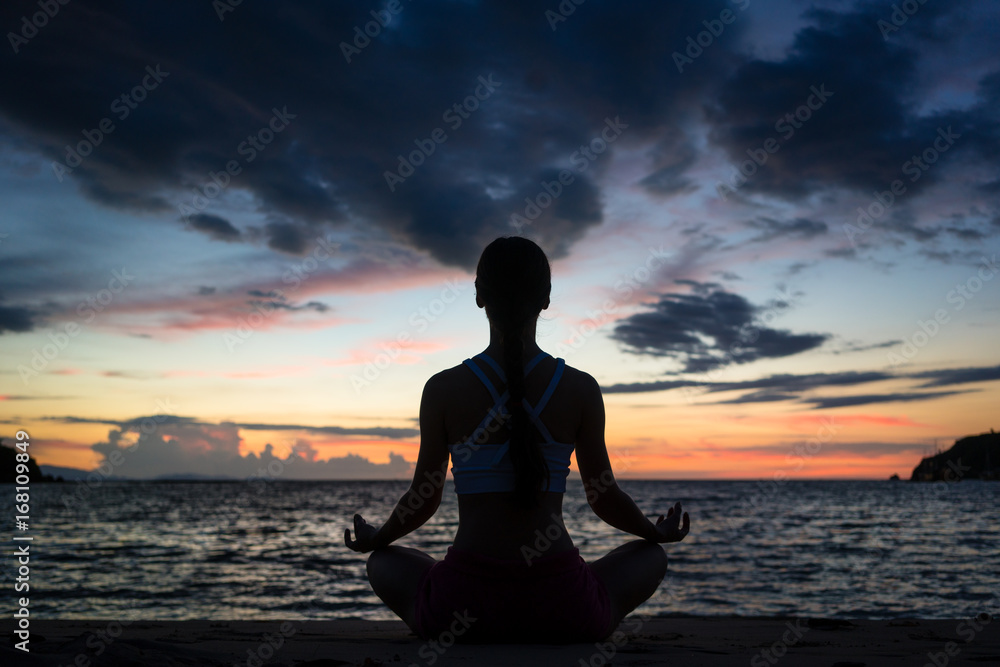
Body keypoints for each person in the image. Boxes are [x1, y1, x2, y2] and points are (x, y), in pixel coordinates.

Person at [345, 236, 690, 643]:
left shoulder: (442, 389)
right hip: (564, 606)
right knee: (649, 556)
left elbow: (424, 496)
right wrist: (654, 531)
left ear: (479, 296)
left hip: (462, 605)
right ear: (545, 299)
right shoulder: (580, 388)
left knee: (384, 562)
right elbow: (603, 496)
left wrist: (377, 538)